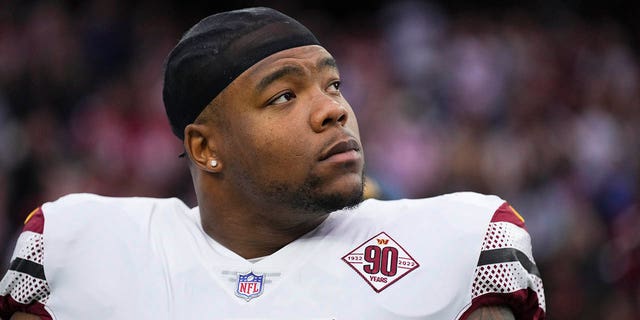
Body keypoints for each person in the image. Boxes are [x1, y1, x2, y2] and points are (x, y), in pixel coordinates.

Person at [0, 7, 545, 320]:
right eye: (284, 96)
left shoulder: (462, 243)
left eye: (333, 85)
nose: (334, 110)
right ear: (205, 148)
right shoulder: (81, 246)